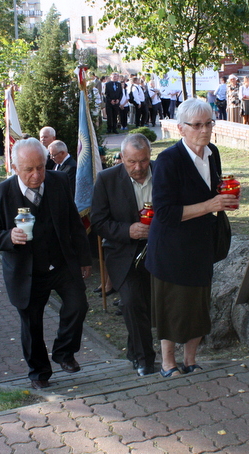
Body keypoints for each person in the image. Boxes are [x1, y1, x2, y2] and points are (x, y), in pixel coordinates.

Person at [0, 138, 92, 389]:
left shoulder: (59, 181)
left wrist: (84, 259)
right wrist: (8, 236)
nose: (36, 174)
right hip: (26, 271)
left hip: (61, 263)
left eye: (41, 167)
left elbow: (74, 223)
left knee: (78, 305)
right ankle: (39, 373)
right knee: (32, 324)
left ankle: (64, 352)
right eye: (29, 169)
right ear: (15, 167)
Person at [145, 98, 237, 378]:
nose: (204, 130)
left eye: (209, 123)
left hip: (200, 244)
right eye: (197, 125)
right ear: (180, 128)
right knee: (172, 309)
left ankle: (191, 359)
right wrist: (210, 205)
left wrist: (226, 198)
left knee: (198, 306)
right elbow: (164, 212)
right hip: (171, 248)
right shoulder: (168, 160)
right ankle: (168, 363)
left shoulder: (213, 153)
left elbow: (212, 191)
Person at [91, 133, 156, 377]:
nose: (138, 168)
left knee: (147, 306)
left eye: (143, 161)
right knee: (130, 301)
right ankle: (144, 359)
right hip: (123, 252)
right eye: (131, 162)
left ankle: (135, 350)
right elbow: (98, 222)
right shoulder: (107, 179)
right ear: (122, 158)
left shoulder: (162, 173)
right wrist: (127, 230)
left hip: (158, 250)